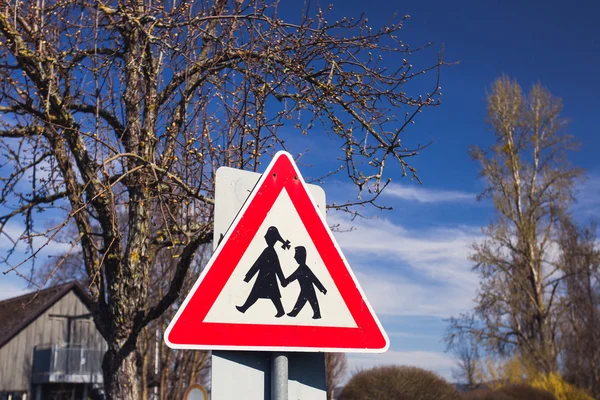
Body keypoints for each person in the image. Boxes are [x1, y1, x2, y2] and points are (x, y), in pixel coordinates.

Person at [236, 226, 290, 317]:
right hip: (267, 278)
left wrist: (248, 276)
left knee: (259, 294)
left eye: (267, 236)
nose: (265, 237)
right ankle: (244, 308)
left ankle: (245, 308)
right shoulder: (270, 251)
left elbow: (258, 264)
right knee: (267, 295)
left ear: (270, 238)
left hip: (265, 278)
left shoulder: (268, 251)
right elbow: (277, 268)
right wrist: (282, 280)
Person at [285, 246, 327, 319]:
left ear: (300, 256)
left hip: (307, 290)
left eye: (296, 254)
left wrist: (322, 289)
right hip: (307, 289)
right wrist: (322, 289)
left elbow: (314, 279)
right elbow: (314, 279)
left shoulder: (302, 268)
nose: (294, 257)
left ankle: (315, 314)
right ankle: (316, 314)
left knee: (308, 302)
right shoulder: (303, 268)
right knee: (311, 302)